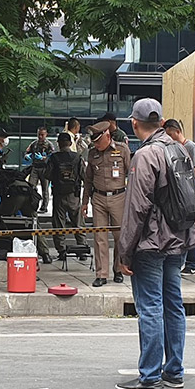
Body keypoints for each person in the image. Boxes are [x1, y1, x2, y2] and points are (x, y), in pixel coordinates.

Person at [116, 98, 187, 389]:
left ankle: (150, 376)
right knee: (174, 305)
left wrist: (125, 252)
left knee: (150, 308)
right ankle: (174, 372)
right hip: (178, 240)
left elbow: (137, 208)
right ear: (161, 122)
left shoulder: (145, 155)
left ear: (134, 123)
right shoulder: (178, 148)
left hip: (151, 243)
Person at [83, 121, 130, 287]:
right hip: (99, 198)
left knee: (119, 236)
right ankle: (101, 274)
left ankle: (118, 269)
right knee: (99, 237)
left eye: (98, 141)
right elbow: (88, 180)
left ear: (108, 136)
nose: (95, 144)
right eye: (94, 141)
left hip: (119, 197)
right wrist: (85, 202)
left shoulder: (122, 150)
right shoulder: (92, 154)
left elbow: (132, 176)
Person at [163, 119, 195, 275]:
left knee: (190, 226)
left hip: (188, 191)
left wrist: (181, 176)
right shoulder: (170, 148)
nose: (169, 137)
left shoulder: (190, 147)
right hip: (177, 192)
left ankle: (192, 263)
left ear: (177, 131)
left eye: (170, 134)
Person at [46, 132, 87, 259]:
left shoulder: (54, 158)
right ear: (70, 143)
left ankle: (62, 251)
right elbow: (84, 176)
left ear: (58, 144)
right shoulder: (77, 157)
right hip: (74, 195)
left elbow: (47, 174)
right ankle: (82, 249)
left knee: (59, 225)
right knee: (78, 223)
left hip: (59, 195)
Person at [25, 127, 55, 213]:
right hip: (35, 167)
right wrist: (27, 156)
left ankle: (44, 206)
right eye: (39, 134)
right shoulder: (34, 144)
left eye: (42, 135)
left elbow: (52, 157)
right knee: (31, 186)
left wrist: (43, 158)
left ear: (46, 135)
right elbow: (27, 152)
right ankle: (31, 204)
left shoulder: (49, 145)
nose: (40, 136)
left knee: (45, 189)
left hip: (44, 168)